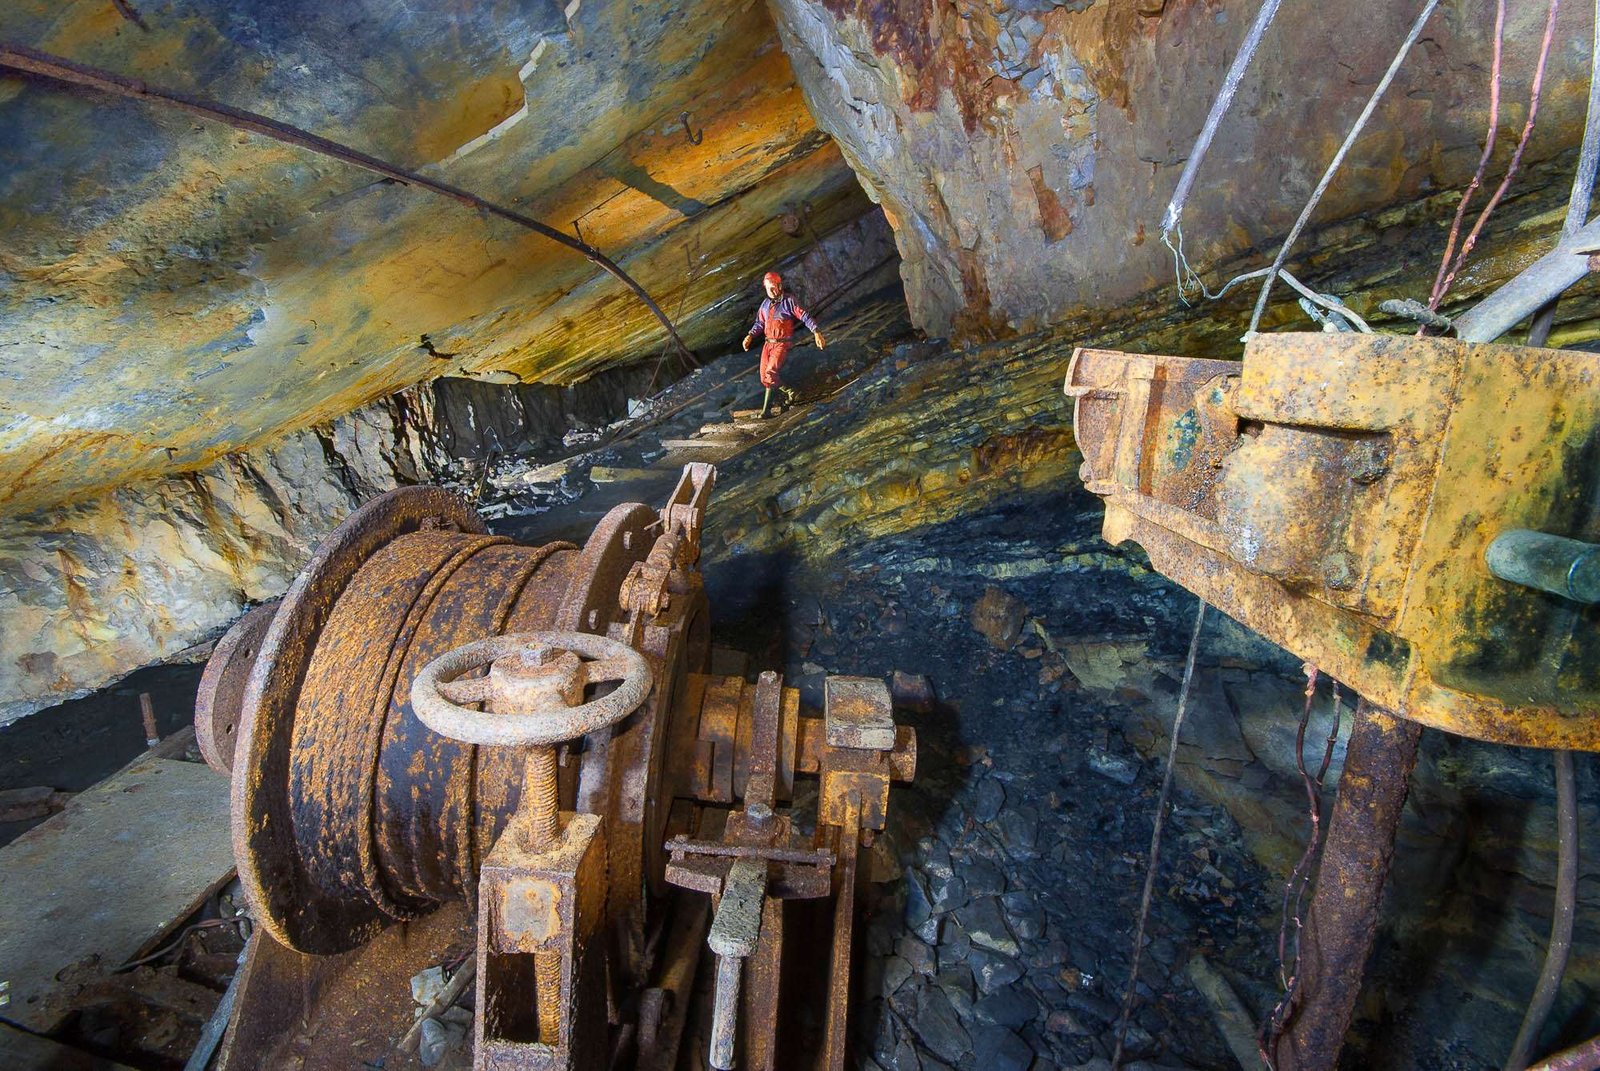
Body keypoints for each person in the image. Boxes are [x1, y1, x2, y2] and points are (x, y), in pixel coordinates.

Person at [741, 271, 825, 418]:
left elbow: (804, 315)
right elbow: (759, 323)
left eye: (774, 287)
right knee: (764, 378)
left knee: (770, 373)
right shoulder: (765, 305)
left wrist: (816, 331)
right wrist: (750, 335)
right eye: (769, 288)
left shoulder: (789, 301)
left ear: (779, 285)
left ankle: (774, 405)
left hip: (781, 344)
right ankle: (779, 402)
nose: (772, 291)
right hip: (768, 345)